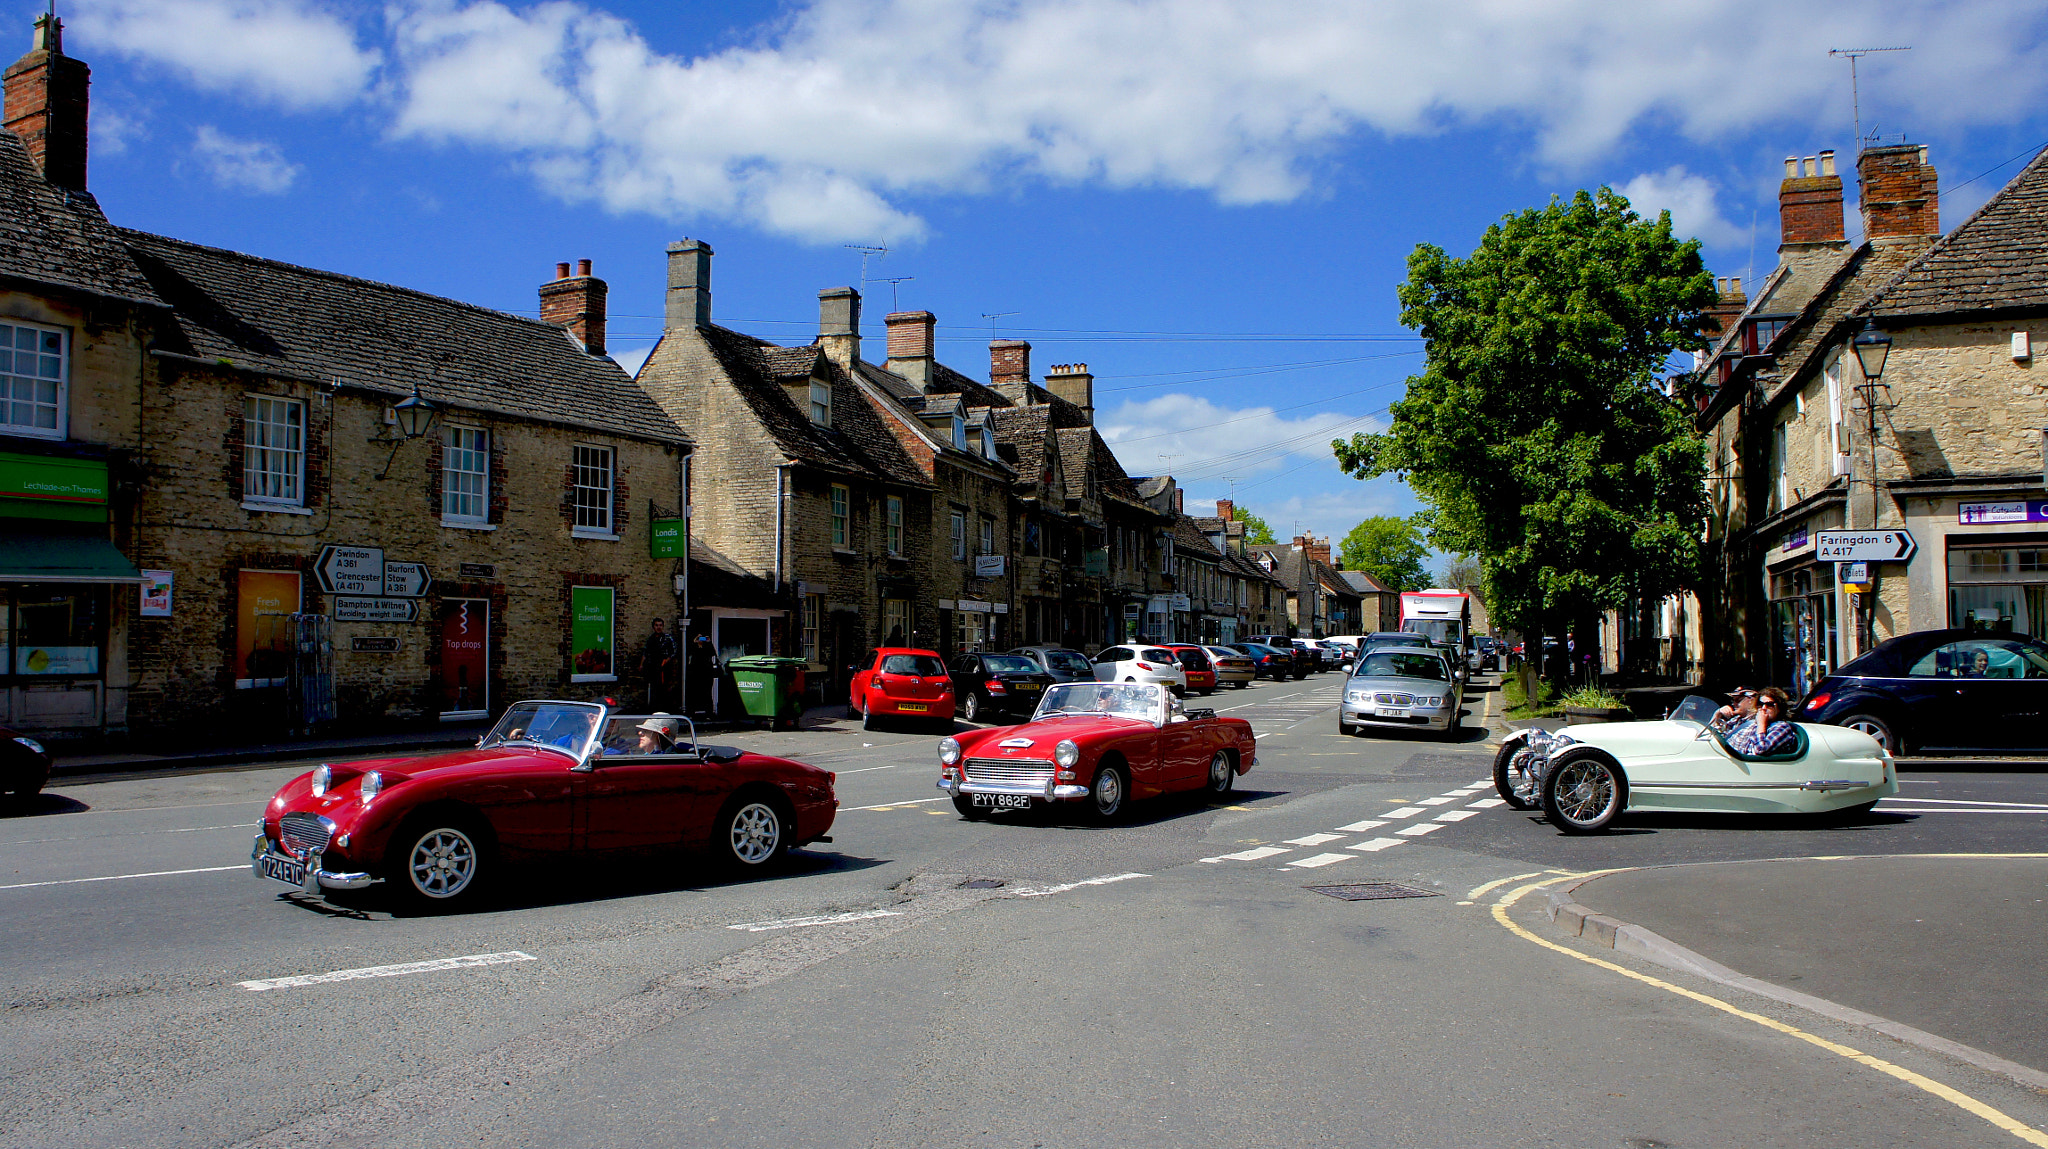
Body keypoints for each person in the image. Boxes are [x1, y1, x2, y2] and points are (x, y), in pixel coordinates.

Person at [1727, 687, 1797, 756]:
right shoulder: (1751, 724)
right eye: (1760, 704)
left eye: (1769, 704)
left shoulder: (1782, 727)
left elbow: (1760, 750)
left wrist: (1761, 725)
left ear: (1779, 707)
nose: (1764, 708)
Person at [640, 617, 679, 708]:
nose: (659, 627)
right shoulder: (651, 639)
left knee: (665, 688)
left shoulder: (667, 638)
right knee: (654, 688)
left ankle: (665, 708)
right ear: (653, 627)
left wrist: (666, 660)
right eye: (657, 625)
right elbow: (646, 652)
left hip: (665, 668)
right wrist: (641, 664)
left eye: (660, 625)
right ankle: (654, 708)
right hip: (653, 667)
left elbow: (674, 651)